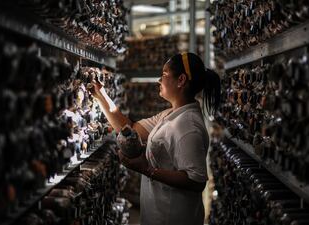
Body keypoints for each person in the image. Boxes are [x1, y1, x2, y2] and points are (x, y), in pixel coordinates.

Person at [89, 52, 221, 225]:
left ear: (181, 80)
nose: (159, 80)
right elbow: (129, 128)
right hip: (158, 212)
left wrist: (146, 169)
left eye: (164, 75)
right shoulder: (170, 115)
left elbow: (196, 181)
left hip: (173, 217)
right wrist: (101, 95)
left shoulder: (188, 126)